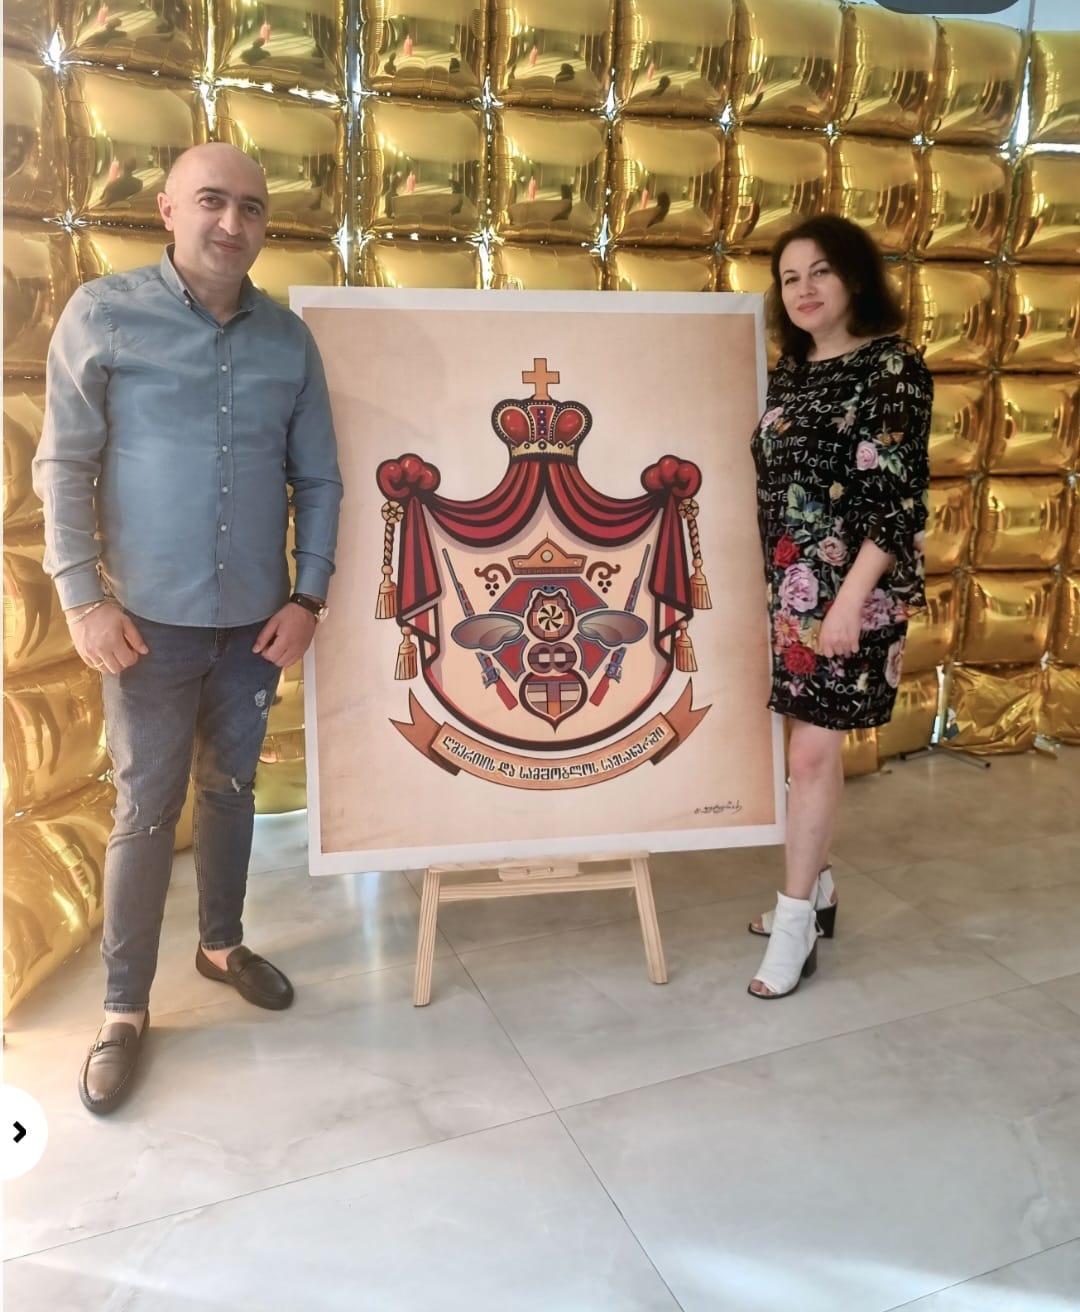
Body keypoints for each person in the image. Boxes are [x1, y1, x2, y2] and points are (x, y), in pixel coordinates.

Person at [33, 142, 343, 1113]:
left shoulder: (288, 341)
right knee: (144, 810)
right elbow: (63, 464)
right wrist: (82, 599)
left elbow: (319, 478)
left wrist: (308, 597)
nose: (232, 223)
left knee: (231, 789)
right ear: (167, 208)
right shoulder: (103, 313)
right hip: (144, 628)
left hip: (255, 625)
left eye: (251, 207)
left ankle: (221, 945)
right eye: (212, 201)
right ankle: (124, 1008)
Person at [746, 214, 931, 1000]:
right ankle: (815, 891)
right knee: (803, 753)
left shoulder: (893, 366)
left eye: (820, 271)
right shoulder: (790, 373)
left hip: (856, 593)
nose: (805, 289)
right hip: (791, 595)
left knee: (812, 758)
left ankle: (795, 924)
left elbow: (897, 500)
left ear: (854, 277)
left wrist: (850, 600)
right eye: (790, 278)